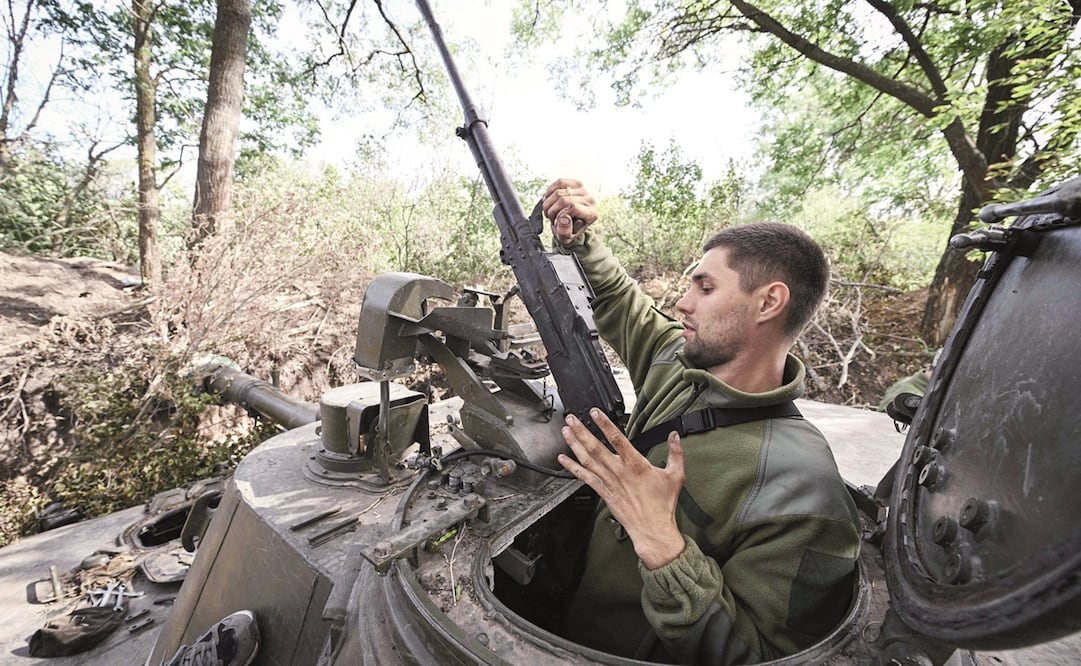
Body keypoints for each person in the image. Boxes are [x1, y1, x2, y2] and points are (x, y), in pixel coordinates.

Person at [543, 178, 861, 664]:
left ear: (769, 302)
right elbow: (618, 299)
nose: (683, 303)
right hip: (572, 621)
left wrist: (662, 542)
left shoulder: (805, 490)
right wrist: (580, 236)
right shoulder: (676, 358)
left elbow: (757, 654)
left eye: (705, 287)